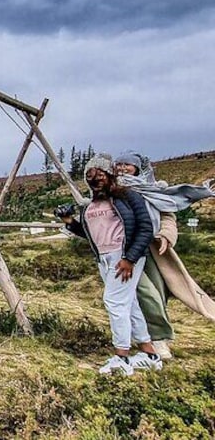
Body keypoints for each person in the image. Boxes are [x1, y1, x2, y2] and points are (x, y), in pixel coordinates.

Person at [57, 154, 162, 375]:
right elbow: (91, 234)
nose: (95, 179)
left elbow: (145, 228)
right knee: (128, 303)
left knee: (114, 302)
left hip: (122, 257)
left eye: (100, 174)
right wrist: (70, 222)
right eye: (90, 175)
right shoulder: (91, 205)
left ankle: (121, 358)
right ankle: (149, 353)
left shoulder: (128, 197)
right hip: (104, 258)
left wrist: (129, 258)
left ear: (109, 175)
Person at [114, 151, 215, 359]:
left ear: (138, 168)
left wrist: (165, 236)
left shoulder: (155, 190)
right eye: (119, 164)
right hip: (126, 251)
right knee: (146, 293)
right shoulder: (112, 190)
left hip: (153, 249)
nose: (122, 169)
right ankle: (158, 339)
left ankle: (152, 336)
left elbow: (167, 217)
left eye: (127, 165)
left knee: (158, 293)